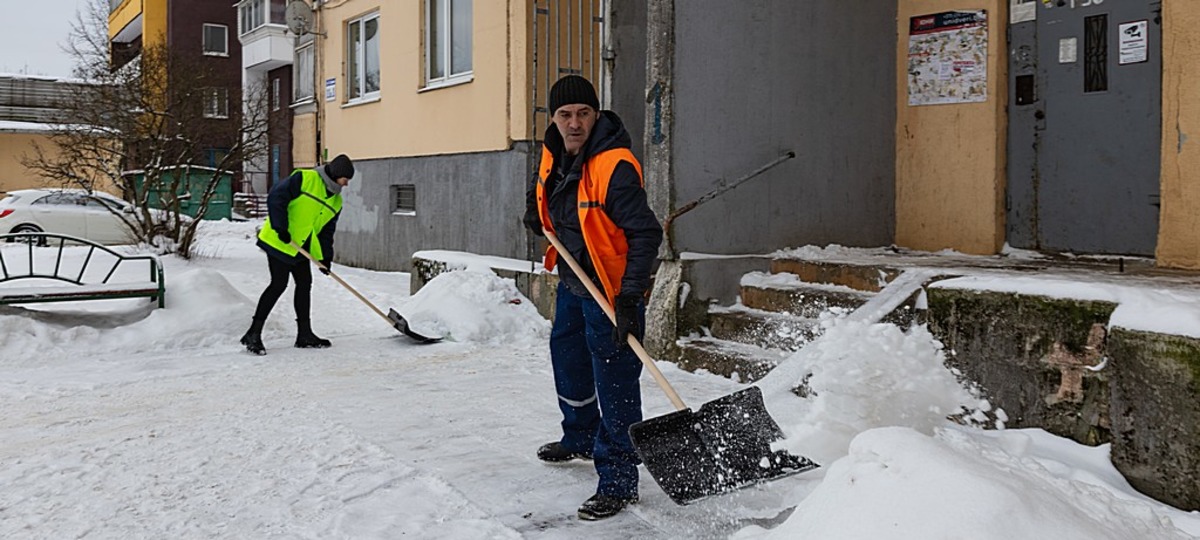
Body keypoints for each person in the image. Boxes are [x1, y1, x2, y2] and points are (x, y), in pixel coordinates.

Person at [523, 75, 663, 520]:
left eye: (583, 113)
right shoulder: (552, 150)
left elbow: (646, 232)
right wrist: (534, 208)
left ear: (596, 115)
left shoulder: (613, 166)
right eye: (565, 114)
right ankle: (580, 435)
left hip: (611, 291)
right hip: (573, 281)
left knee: (615, 381)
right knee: (568, 356)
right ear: (554, 119)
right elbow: (543, 185)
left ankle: (619, 481)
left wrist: (629, 296)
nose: (574, 122)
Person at [240, 154, 355, 355]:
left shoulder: (336, 201)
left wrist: (325, 258)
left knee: (304, 285)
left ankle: (304, 334)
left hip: (301, 246)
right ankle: (253, 333)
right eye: (345, 179)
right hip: (279, 240)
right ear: (336, 174)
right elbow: (277, 196)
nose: (345, 184)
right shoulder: (305, 178)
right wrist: (280, 226)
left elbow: (326, 232)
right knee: (278, 284)